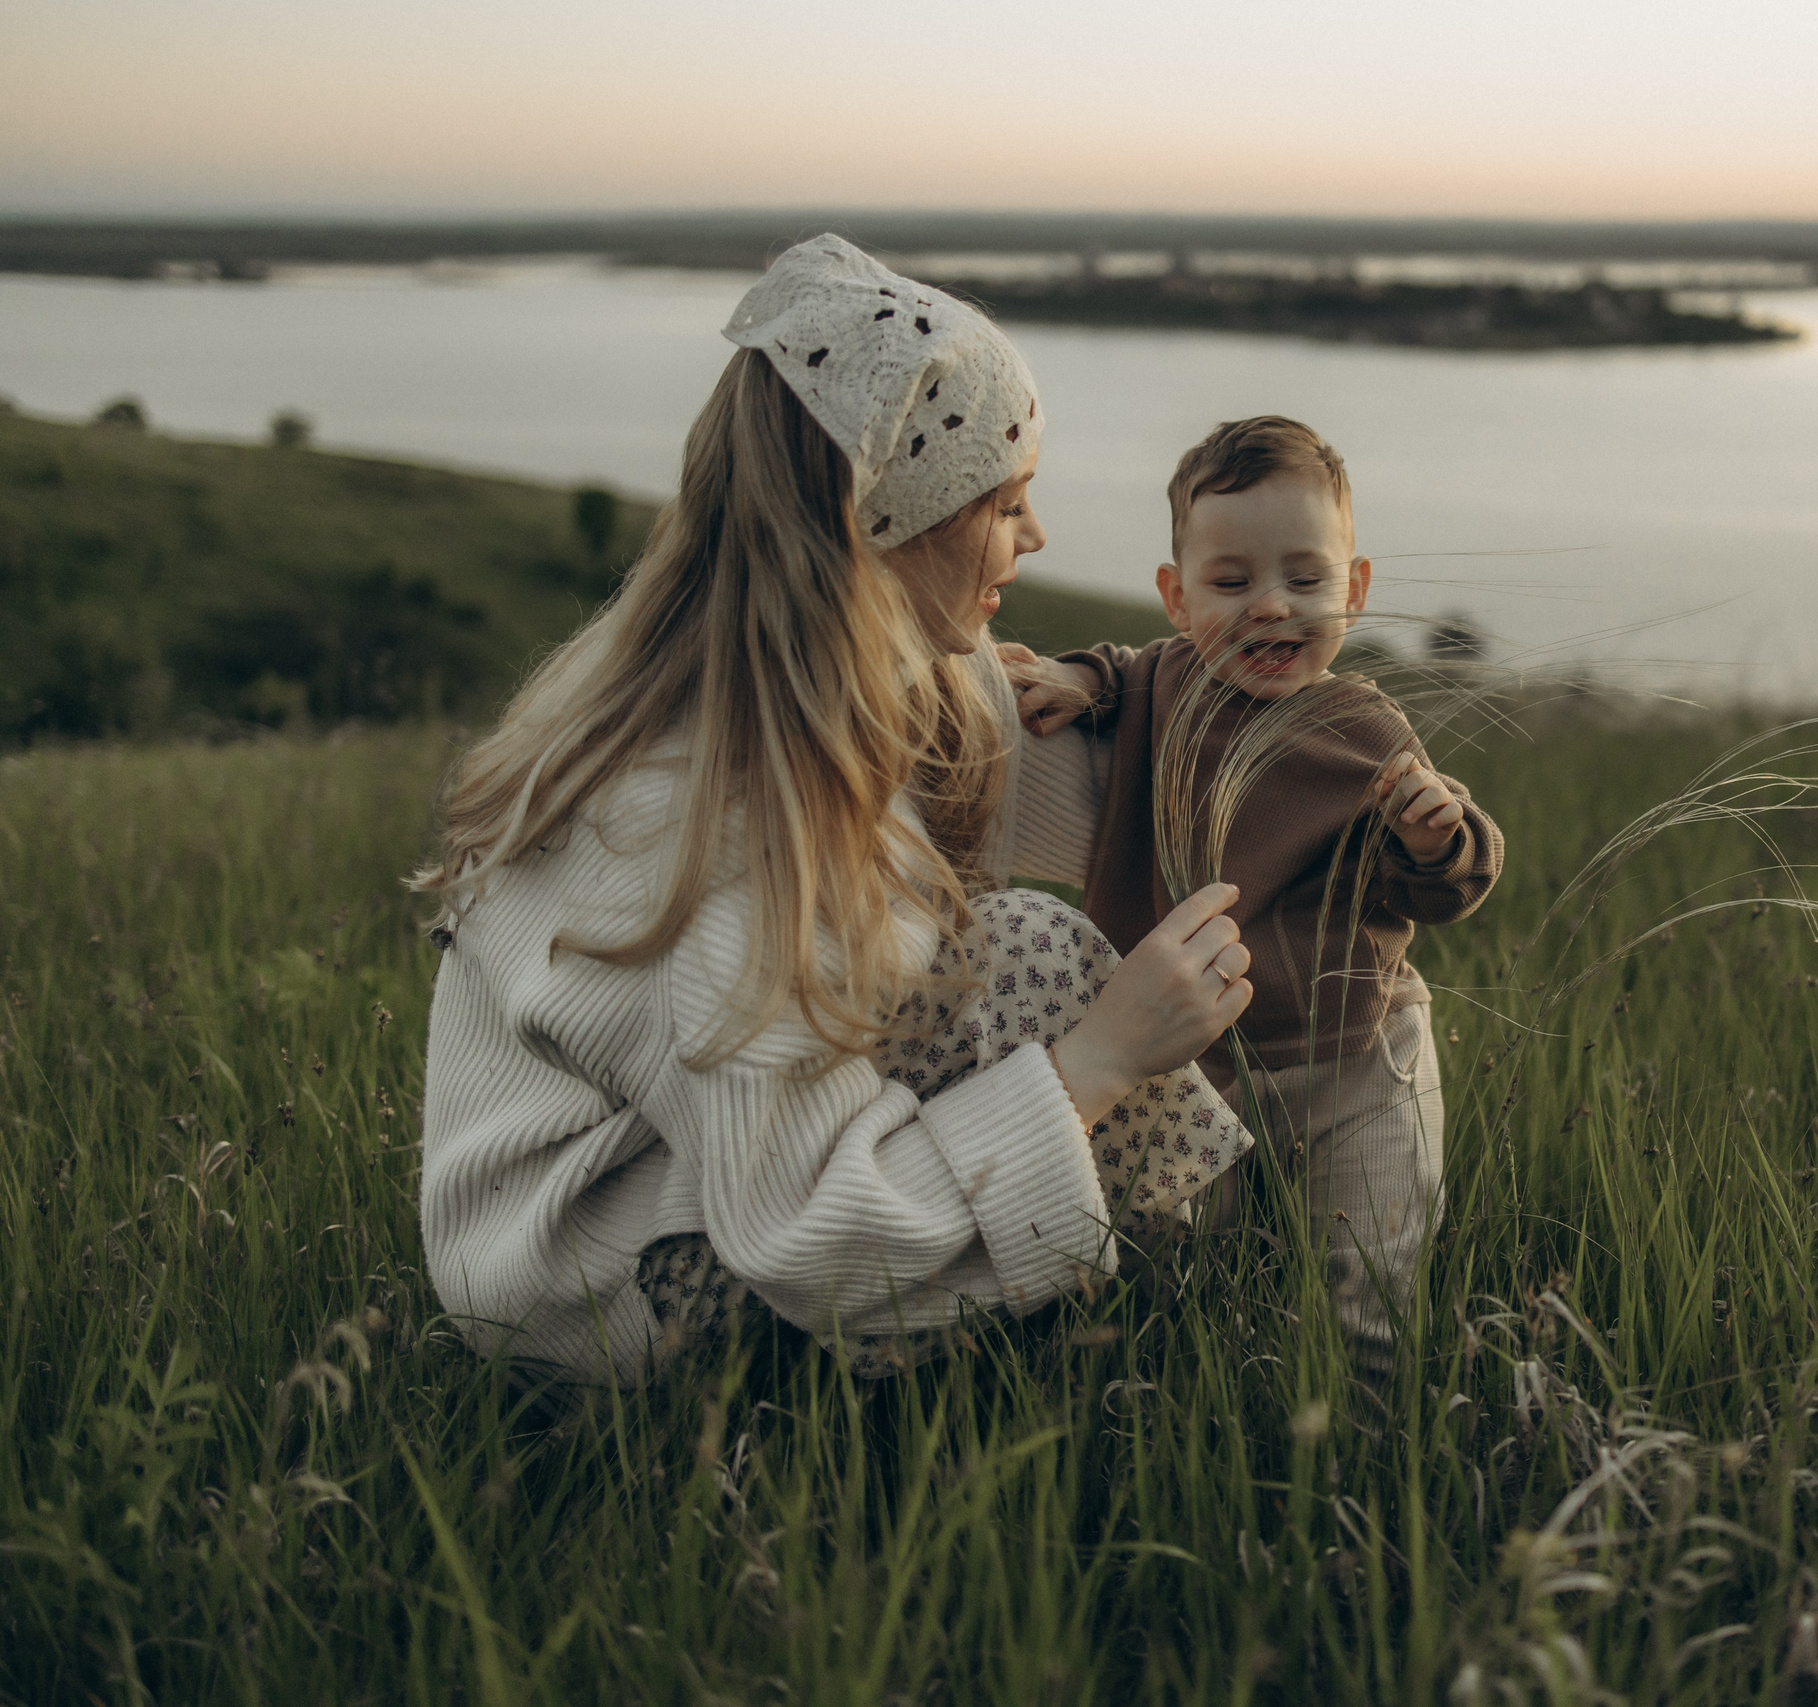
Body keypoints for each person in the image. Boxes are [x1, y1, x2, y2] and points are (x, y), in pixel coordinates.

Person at [411, 237, 1257, 1387]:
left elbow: (1061, 811)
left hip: (632, 1224)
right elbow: (810, 1235)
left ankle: (1172, 1310)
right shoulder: (723, 819)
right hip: (598, 1309)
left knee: (1004, 953)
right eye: (1005, 503)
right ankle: (1162, 1348)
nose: (1037, 536)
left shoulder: (751, 685)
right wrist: (1103, 1062)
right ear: (883, 529)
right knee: (1038, 966)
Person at [1003, 415, 1503, 1378]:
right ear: (1178, 597)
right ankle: (1183, 1416)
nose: (1270, 607)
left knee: (1369, 1274)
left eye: (1305, 580)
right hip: (1184, 1058)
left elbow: (1441, 888)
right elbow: (1121, 668)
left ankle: (1361, 1435)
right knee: (1159, 1278)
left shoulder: (1364, 727)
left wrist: (1437, 838)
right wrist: (1077, 678)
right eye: (1231, 583)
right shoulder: (1158, 685)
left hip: (1355, 1050)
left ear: (1352, 592)